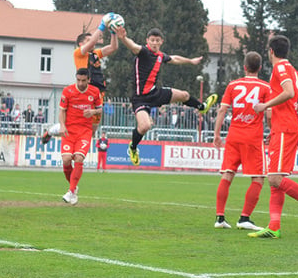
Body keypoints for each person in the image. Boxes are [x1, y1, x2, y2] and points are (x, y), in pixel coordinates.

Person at [248, 35, 298, 239]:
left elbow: (289, 91)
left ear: (271, 52)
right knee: (276, 179)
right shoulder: (292, 70)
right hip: (282, 128)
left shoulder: (281, 69)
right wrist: (295, 107)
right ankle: (274, 226)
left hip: (285, 128)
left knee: (274, 178)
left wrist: (265, 105)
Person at [112, 25, 218, 166]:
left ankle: (202, 107)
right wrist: (123, 38)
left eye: (157, 40)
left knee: (185, 95)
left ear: (161, 41)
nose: (155, 43)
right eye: (152, 40)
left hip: (155, 93)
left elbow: (175, 59)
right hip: (140, 98)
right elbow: (133, 46)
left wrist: (190, 61)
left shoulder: (160, 56)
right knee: (145, 126)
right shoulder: (143, 51)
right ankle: (133, 147)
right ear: (147, 41)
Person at [212, 51, 271, 231]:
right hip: (252, 137)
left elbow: (222, 110)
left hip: (234, 135)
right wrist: (272, 129)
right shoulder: (265, 87)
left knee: (227, 174)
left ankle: (220, 217)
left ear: (244, 67)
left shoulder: (233, 85)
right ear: (260, 68)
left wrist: (216, 134)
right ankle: (245, 217)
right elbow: (268, 113)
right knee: (259, 178)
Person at [43, 14, 119, 145]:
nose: (92, 42)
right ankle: (51, 131)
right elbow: (93, 42)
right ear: (81, 43)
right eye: (88, 40)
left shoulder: (95, 54)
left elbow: (113, 47)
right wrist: (102, 25)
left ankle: (60, 136)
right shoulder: (79, 53)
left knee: (93, 130)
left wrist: (113, 32)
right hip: (85, 89)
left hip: (99, 90)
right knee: (72, 123)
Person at [59, 68, 103, 205]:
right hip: (69, 131)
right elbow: (62, 110)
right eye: (78, 80)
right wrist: (62, 125)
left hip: (84, 131)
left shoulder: (95, 92)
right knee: (66, 160)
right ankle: (74, 187)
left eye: (83, 80)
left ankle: (71, 191)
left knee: (78, 158)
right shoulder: (68, 91)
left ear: (88, 80)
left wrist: (93, 111)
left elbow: (101, 109)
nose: (81, 83)